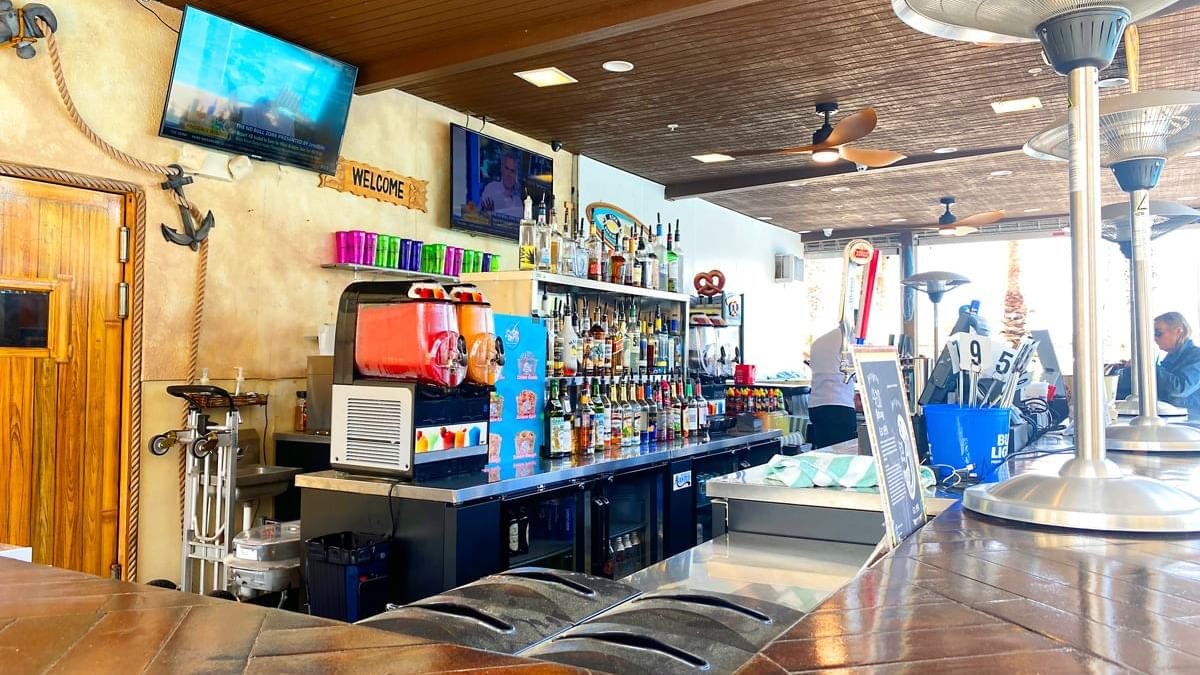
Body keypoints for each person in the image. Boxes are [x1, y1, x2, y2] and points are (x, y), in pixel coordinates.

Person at [807, 325, 858, 448]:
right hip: (839, 407)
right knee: (843, 456)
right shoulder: (851, 340)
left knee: (825, 455)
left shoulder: (818, 342)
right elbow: (861, 371)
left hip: (816, 407)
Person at [1154, 311, 1200, 421]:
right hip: (1171, 423)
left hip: (1193, 427)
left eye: (1158, 333)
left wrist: (1148, 369)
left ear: (1178, 331)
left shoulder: (1197, 357)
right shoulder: (1168, 361)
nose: (1155, 338)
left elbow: (1180, 388)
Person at [479, 152, 523, 219]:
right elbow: (480, 216)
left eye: (512, 171)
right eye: (507, 169)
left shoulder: (518, 203)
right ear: (502, 169)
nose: (509, 174)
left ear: (516, 175)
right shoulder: (491, 189)